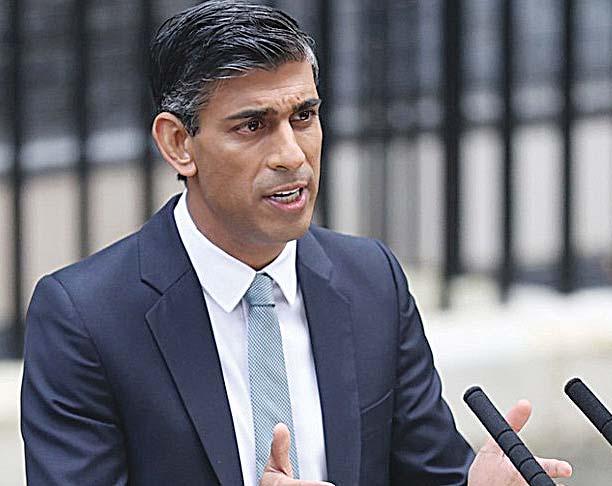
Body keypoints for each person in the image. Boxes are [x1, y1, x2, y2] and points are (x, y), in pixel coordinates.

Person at [21, 2, 572, 485]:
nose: (291, 154)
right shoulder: (86, 318)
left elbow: (427, 473)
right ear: (178, 143)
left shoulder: (372, 279)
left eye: (303, 116)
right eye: (252, 126)